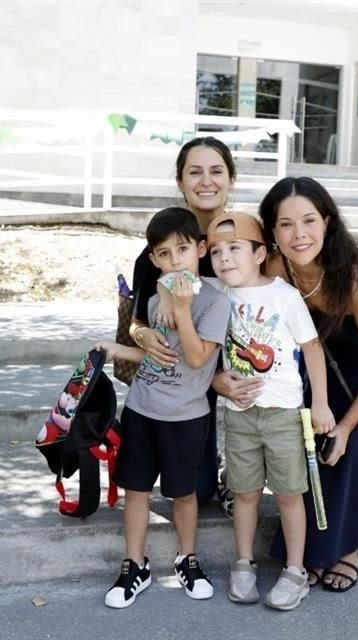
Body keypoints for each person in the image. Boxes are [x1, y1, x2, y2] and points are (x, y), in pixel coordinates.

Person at [218, 176, 358, 594]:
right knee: (309, 435)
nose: (299, 234)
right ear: (272, 232)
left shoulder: (355, 275)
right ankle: (311, 550)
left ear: (327, 222)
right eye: (286, 224)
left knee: (354, 442)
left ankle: (347, 550)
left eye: (309, 220)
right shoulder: (274, 266)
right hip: (319, 349)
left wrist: (346, 426)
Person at [95, 207, 230, 609]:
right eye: (165, 254)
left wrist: (184, 310)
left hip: (186, 418)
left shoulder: (213, 303)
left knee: (183, 494)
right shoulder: (154, 299)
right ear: (153, 259)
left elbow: (194, 358)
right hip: (141, 410)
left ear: (200, 250)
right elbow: (155, 356)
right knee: (136, 490)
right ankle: (135, 564)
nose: (175, 261)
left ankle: (187, 559)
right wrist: (118, 348)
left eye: (183, 250)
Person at [204, 212, 335, 611]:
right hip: (239, 414)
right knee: (244, 493)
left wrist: (321, 403)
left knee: (289, 495)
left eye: (234, 248)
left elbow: (312, 347)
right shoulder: (216, 295)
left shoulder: (284, 295)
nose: (224, 258)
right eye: (215, 252)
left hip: (283, 414)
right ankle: (243, 562)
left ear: (260, 253)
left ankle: (296, 571)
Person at [127, 136, 238, 509]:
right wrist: (143, 336)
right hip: (186, 381)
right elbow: (136, 322)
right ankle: (211, 463)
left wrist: (222, 373)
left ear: (231, 179)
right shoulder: (159, 251)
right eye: (195, 172)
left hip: (239, 371)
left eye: (216, 171)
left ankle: (243, 476)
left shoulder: (247, 243)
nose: (206, 181)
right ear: (180, 182)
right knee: (198, 489)